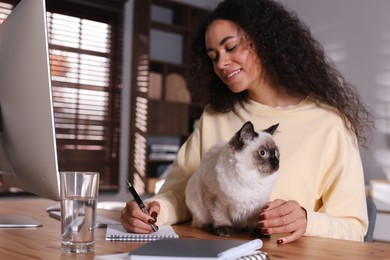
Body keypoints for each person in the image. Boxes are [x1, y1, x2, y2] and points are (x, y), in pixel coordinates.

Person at [121, 0, 374, 244]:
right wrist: (155, 211)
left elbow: (354, 228)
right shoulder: (214, 116)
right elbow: (177, 192)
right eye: (213, 55)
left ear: (263, 40)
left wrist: (308, 221)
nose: (221, 63)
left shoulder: (329, 125)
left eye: (230, 47)